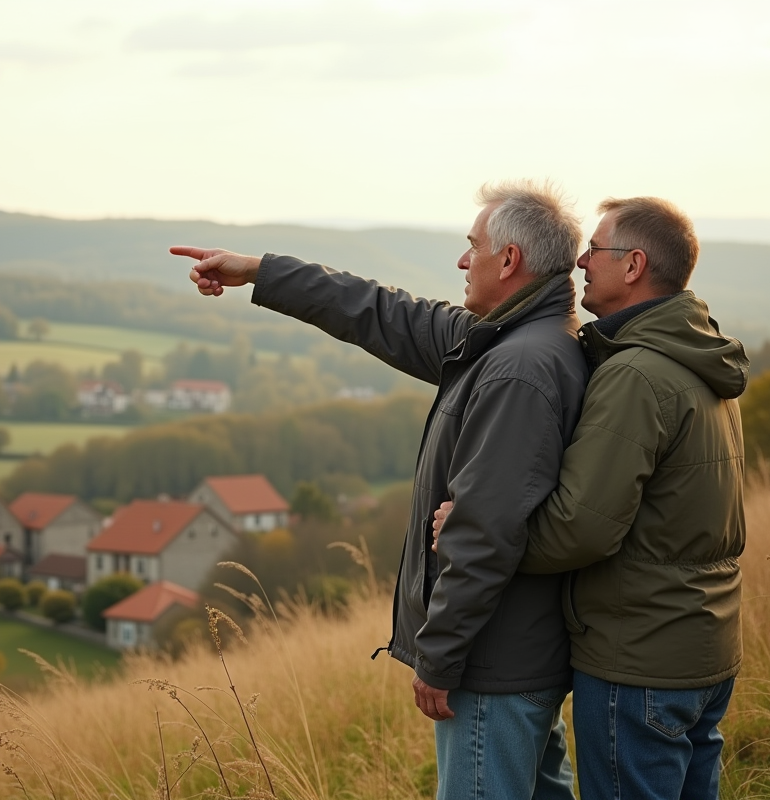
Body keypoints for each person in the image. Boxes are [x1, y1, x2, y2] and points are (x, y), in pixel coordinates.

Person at [172, 180, 588, 800]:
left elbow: (483, 532)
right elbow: (376, 309)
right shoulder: (505, 343)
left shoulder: (519, 368)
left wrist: (441, 659)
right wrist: (259, 271)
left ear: (509, 261)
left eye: (471, 246)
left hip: (491, 670)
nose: (461, 261)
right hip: (515, 660)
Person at [434, 196, 748, 800]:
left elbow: (583, 527)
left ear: (632, 266)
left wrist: (473, 533)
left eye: (595, 250)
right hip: (704, 647)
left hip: (639, 659)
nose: (580, 261)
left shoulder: (635, 374)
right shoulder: (700, 357)